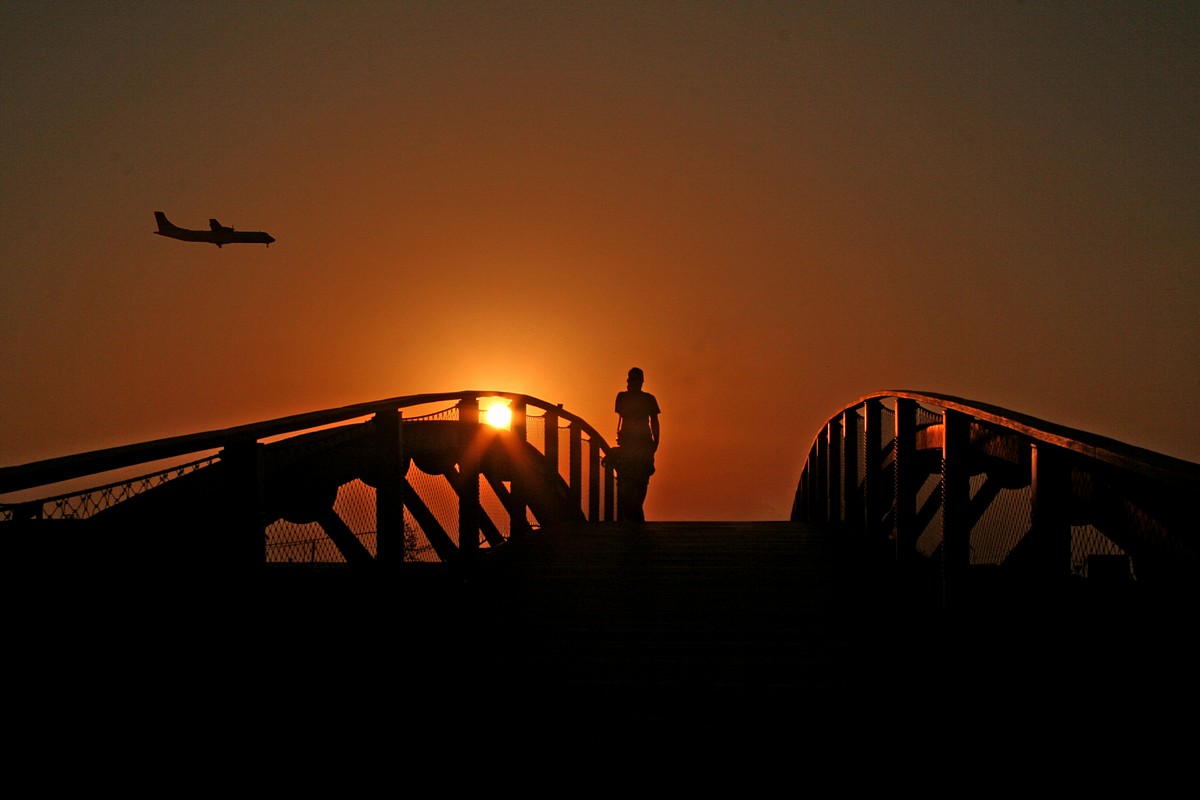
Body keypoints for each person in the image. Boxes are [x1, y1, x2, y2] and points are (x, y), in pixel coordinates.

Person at [613, 367, 660, 523]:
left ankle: (635, 517)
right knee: (639, 480)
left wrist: (655, 442)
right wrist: (655, 442)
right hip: (642, 444)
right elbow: (654, 421)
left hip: (631, 444)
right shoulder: (648, 399)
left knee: (632, 480)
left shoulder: (623, 397)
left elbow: (622, 413)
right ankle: (636, 517)